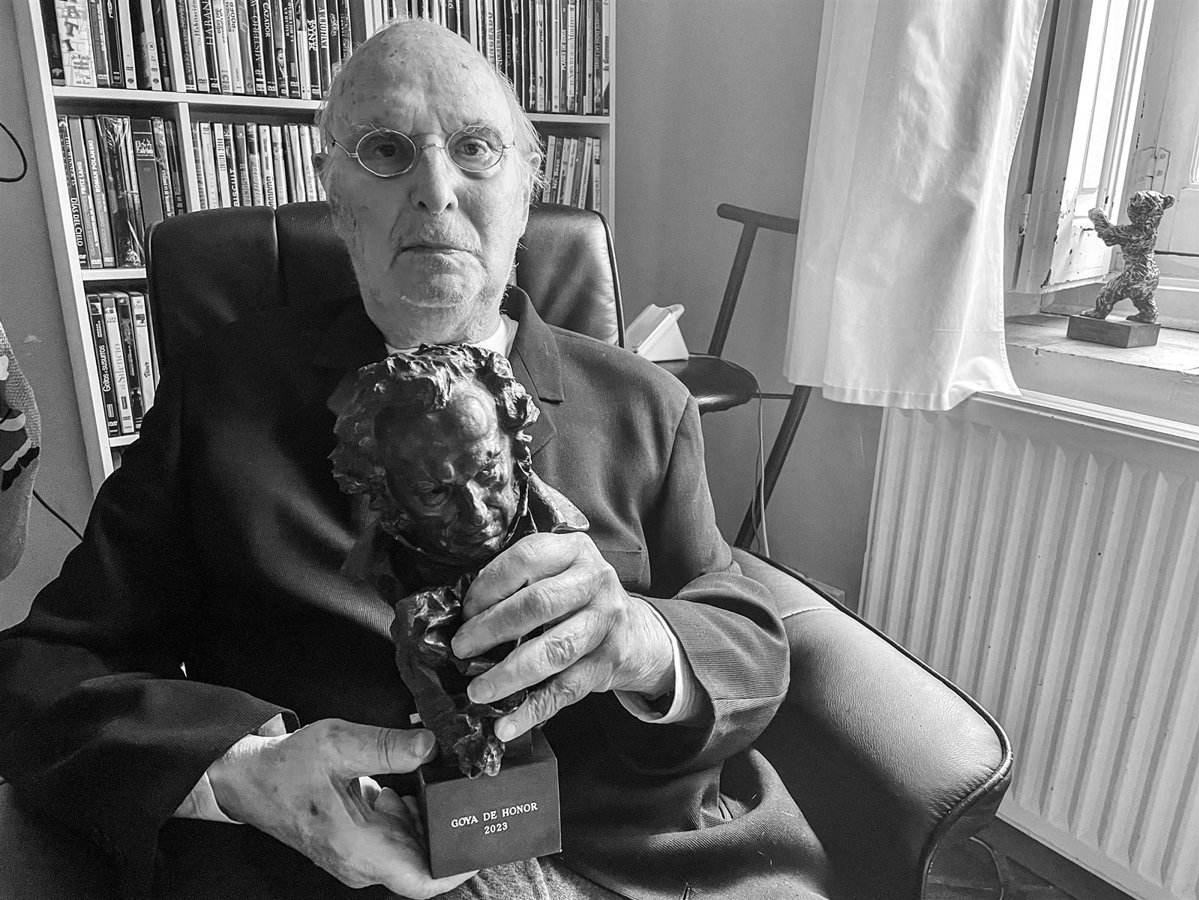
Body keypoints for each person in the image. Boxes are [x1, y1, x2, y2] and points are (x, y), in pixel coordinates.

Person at [0, 18, 830, 900]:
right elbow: (42, 672)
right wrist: (245, 774)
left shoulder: (647, 405)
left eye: (475, 149)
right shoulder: (218, 395)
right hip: (332, 870)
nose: (435, 190)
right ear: (334, 196)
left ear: (525, 194)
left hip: (623, 864)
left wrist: (642, 641)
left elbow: (746, 634)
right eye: (386, 150)